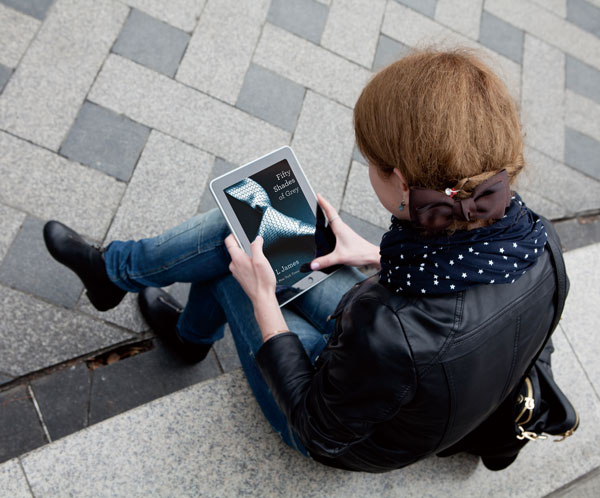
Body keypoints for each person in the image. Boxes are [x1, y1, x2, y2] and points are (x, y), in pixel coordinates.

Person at [43, 49, 565, 473]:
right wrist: (376, 253)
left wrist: (264, 301)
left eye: (370, 164)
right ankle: (131, 288)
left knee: (238, 256)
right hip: (414, 373)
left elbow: (316, 422)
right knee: (253, 232)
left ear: (402, 183)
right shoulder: (539, 242)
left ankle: (137, 294)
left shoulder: (392, 331)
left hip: (346, 424)